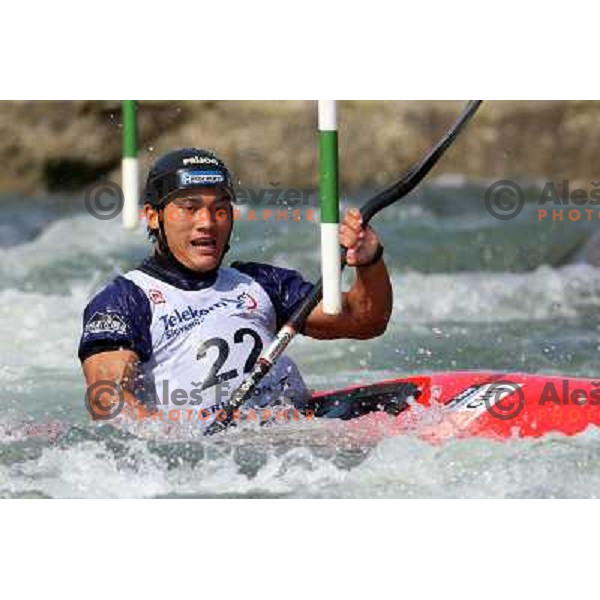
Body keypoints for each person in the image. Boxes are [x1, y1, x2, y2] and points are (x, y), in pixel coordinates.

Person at [78, 148, 392, 428]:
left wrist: (369, 261)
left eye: (220, 209)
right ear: (152, 217)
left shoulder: (261, 283)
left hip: (297, 431)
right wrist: (176, 445)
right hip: (211, 453)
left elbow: (365, 321)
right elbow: (107, 401)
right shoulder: (124, 300)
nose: (207, 222)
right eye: (190, 208)